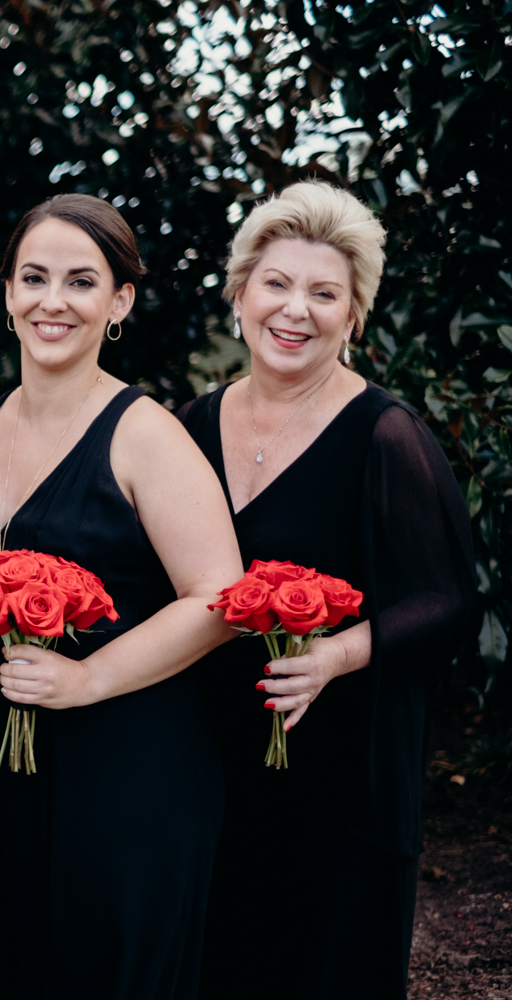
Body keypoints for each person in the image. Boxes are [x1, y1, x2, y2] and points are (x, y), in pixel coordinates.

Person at [177, 182, 476, 999]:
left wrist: (334, 655)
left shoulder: (386, 434)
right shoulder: (192, 427)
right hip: (213, 769)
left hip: (342, 780)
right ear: (240, 292)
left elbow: (448, 598)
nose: (295, 311)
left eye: (324, 294)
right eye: (276, 284)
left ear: (353, 316)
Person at [0, 193, 241, 999]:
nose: (53, 301)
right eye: (34, 277)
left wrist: (86, 680)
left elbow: (220, 597)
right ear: (7, 292)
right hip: (1, 775)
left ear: (119, 302)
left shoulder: (145, 432)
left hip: (130, 776)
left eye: (82, 282)